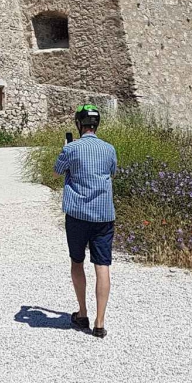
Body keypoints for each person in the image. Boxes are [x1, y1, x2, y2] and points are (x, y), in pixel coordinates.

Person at [54, 104, 117, 338]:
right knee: (103, 266)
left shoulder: (72, 148)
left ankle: (82, 313)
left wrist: (66, 152)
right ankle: (100, 324)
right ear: (97, 125)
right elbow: (112, 172)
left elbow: (56, 172)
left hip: (78, 215)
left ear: (79, 125)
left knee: (77, 262)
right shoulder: (109, 149)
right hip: (104, 215)